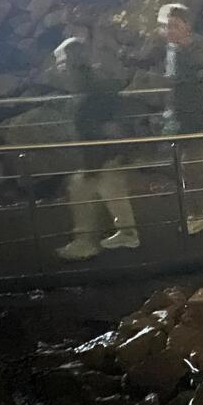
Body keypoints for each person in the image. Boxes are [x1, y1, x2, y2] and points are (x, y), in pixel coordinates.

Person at [52, 37, 142, 262]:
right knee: (107, 189)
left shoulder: (86, 87)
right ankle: (125, 233)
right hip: (107, 154)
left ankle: (88, 241)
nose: (58, 66)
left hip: (102, 154)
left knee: (86, 188)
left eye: (61, 61)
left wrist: (95, 160)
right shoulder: (91, 84)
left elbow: (99, 123)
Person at [159, 3, 203, 235]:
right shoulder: (175, 52)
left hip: (195, 123)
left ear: (187, 27)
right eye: (167, 26)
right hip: (185, 122)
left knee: (196, 170)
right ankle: (195, 214)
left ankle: (199, 215)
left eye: (174, 26)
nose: (170, 31)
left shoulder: (193, 54)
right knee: (189, 170)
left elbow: (194, 91)